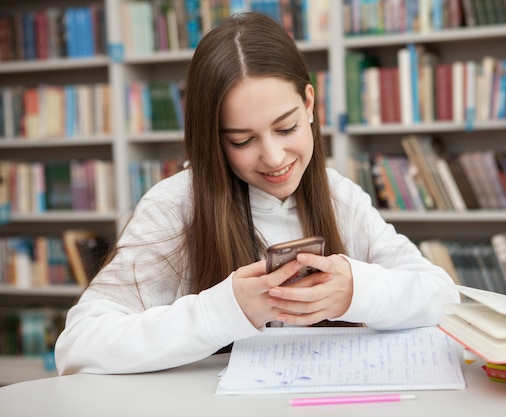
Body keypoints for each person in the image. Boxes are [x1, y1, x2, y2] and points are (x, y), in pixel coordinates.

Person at [54, 12, 460, 375]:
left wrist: (357, 290)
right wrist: (225, 309)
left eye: (286, 128)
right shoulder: (174, 206)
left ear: (310, 104)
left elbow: (443, 298)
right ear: (213, 140)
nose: (274, 156)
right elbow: (79, 346)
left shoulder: (340, 195)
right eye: (243, 140)